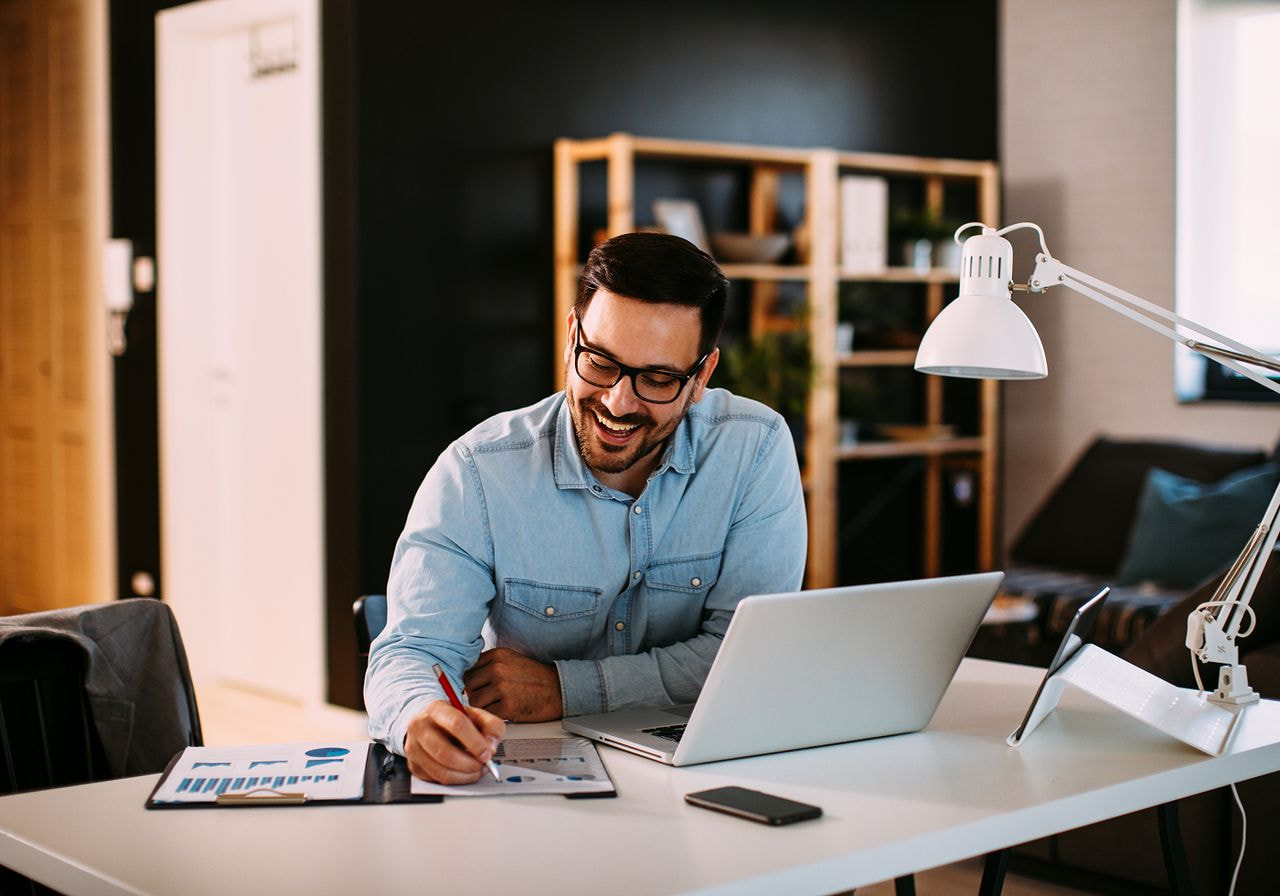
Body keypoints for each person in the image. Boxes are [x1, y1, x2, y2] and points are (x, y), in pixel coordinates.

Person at [365, 232, 807, 784]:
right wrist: (419, 717)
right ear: (572, 336)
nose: (619, 402)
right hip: (535, 783)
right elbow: (411, 652)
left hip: (706, 768)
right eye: (600, 361)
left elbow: (742, 656)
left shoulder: (754, 448)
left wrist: (564, 689)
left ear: (702, 377)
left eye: (659, 378)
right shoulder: (477, 473)